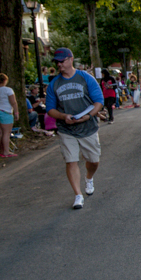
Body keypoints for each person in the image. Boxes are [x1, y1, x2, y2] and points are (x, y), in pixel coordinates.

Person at [46, 48, 104, 210]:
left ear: (71, 59)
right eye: (57, 62)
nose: (59, 64)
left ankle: (89, 177)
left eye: (62, 61)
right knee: (71, 160)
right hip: (67, 129)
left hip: (87, 127)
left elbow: (98, 101)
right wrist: (63, 116)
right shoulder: (54, 84)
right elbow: (50, 109)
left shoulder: (86, 78)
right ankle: (78, 195)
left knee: (93, 160)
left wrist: (89, 115)